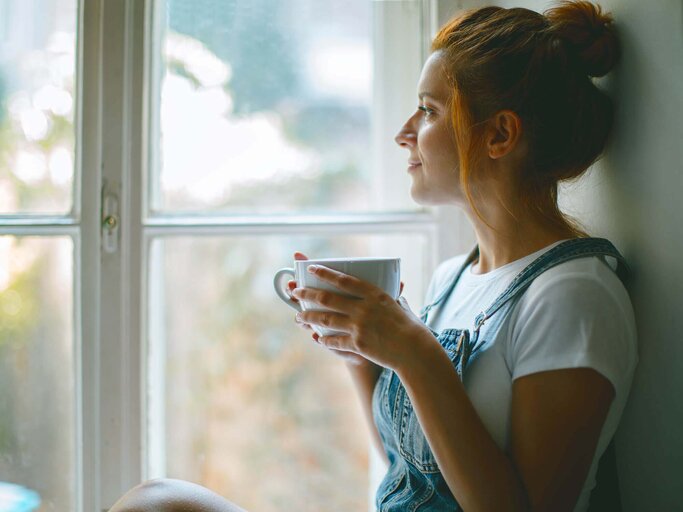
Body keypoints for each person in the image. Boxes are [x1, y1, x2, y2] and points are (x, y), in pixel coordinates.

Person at [110, 1, 638, 511]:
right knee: (157, 502)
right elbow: (414, 472)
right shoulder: (454, 277)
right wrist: (362, 357)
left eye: (428, 110)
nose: (403, 132)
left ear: (499, 134)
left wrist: (413, 351)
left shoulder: (573, 294)